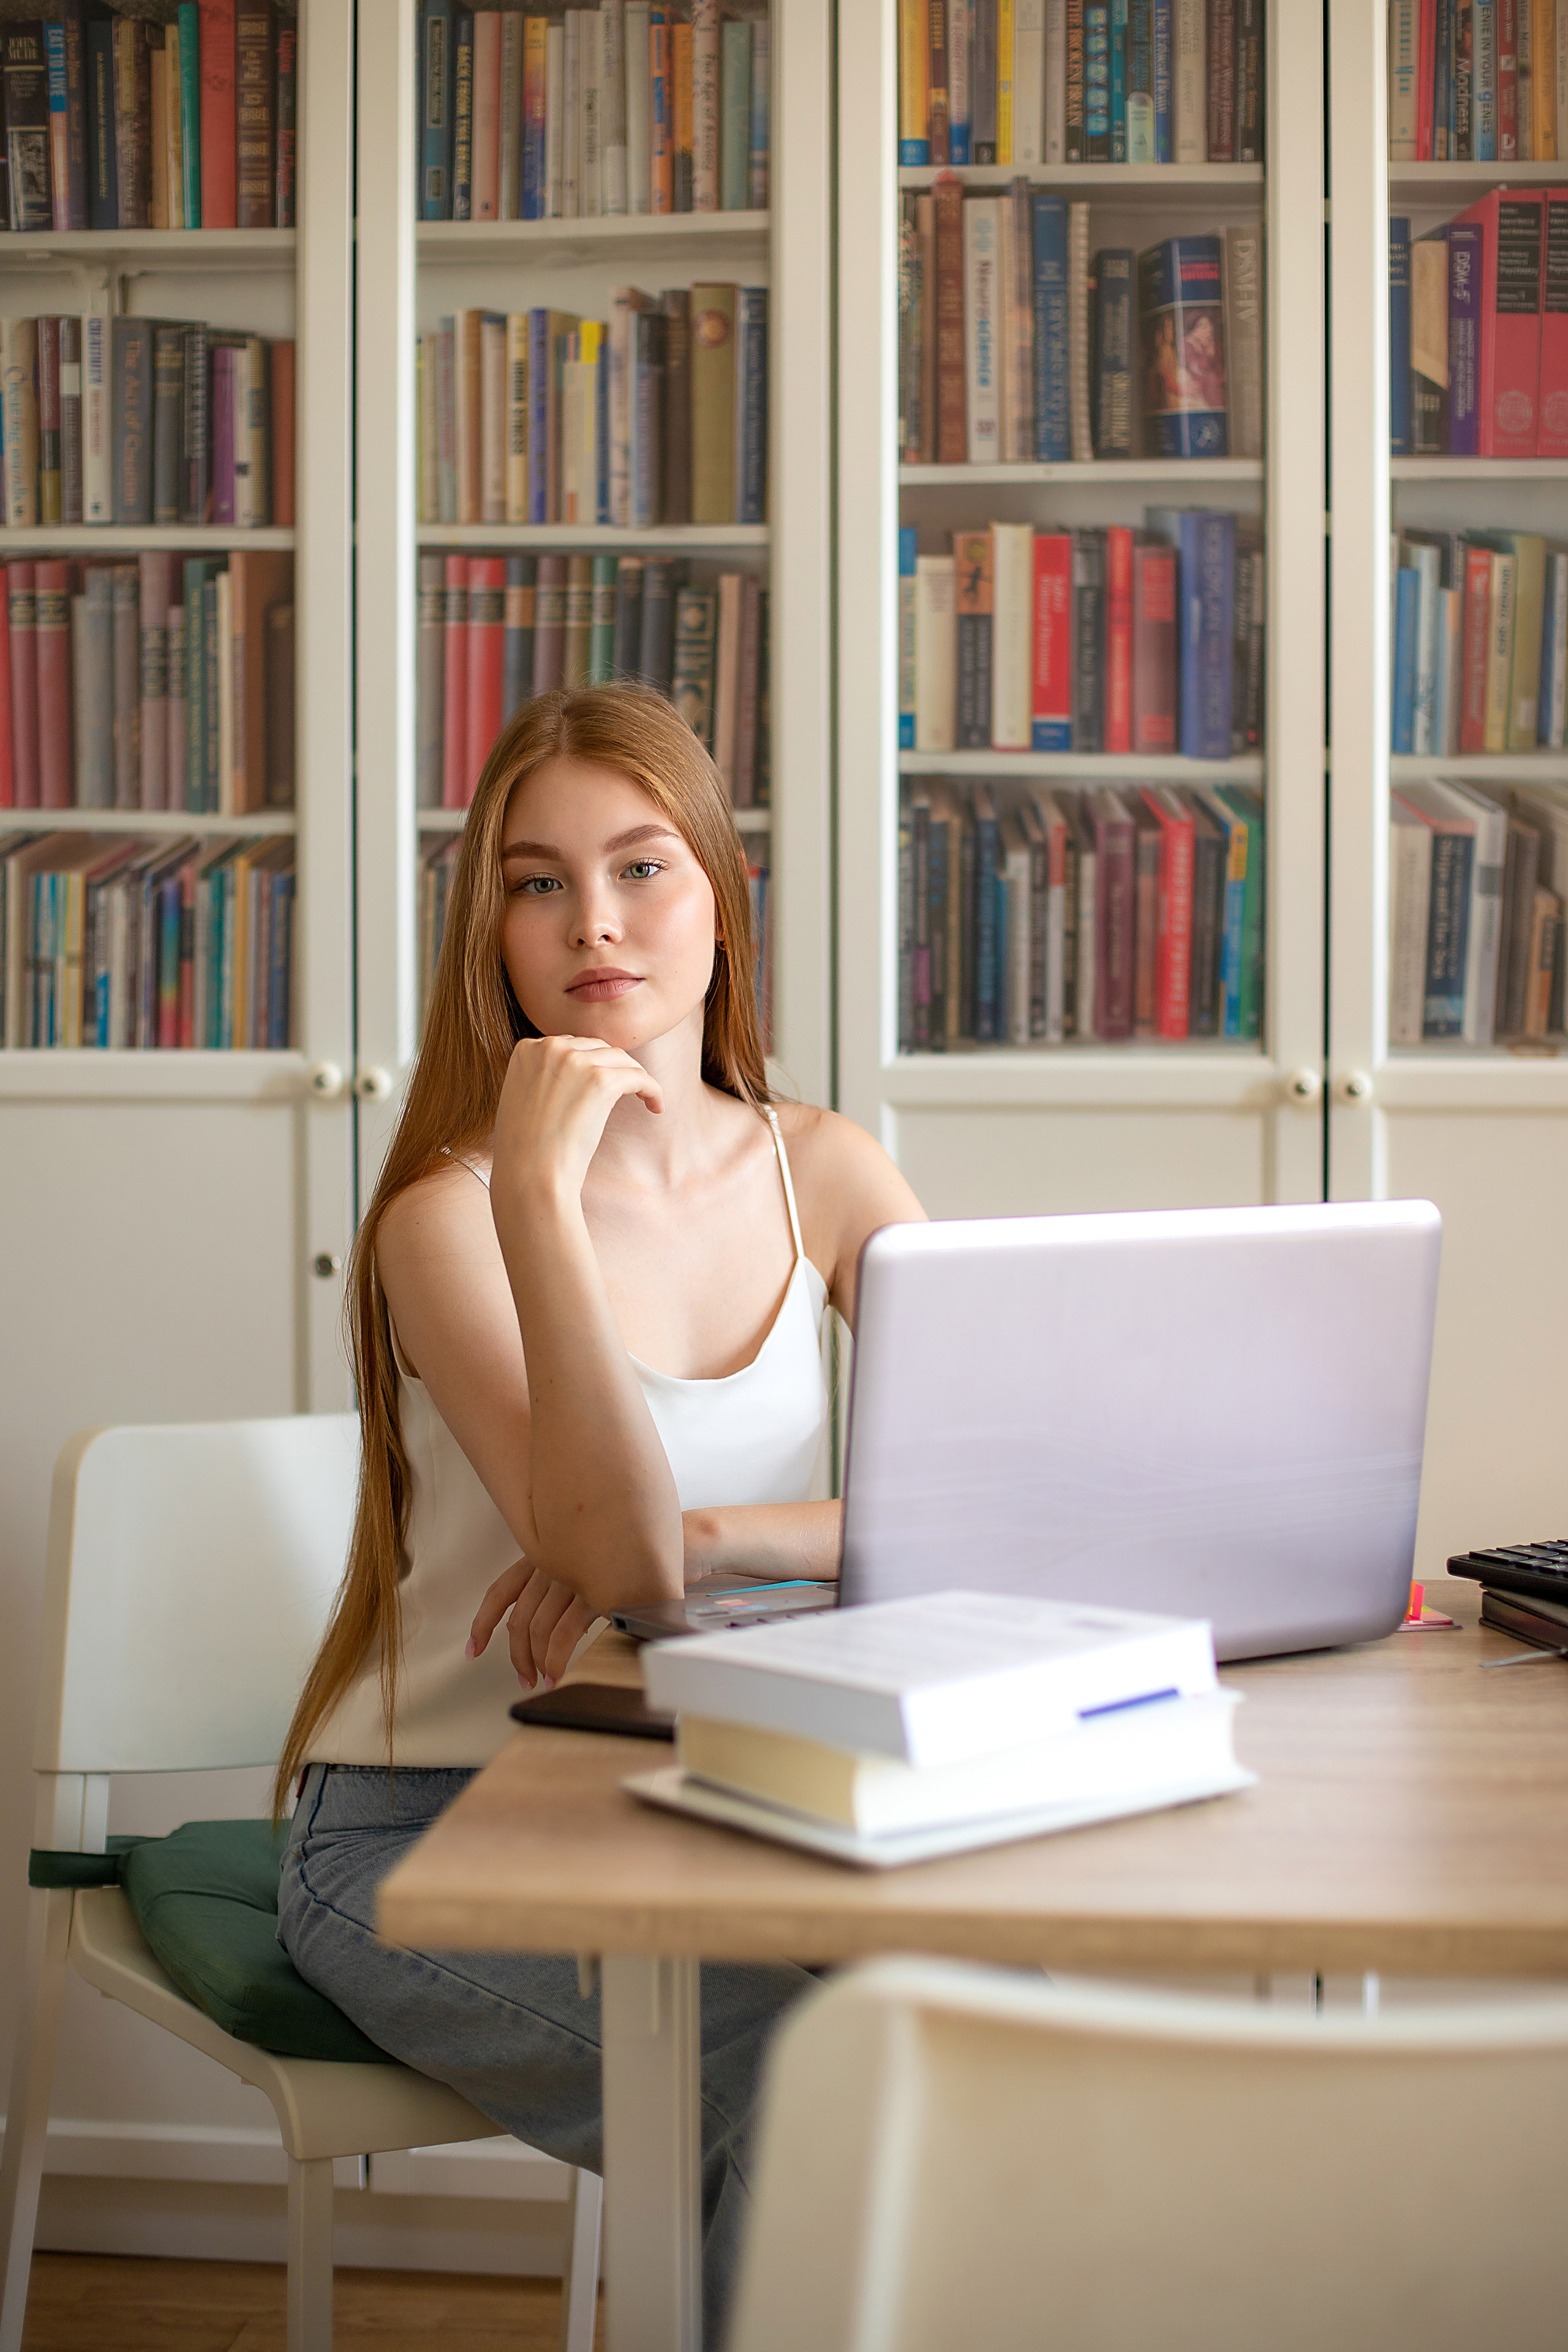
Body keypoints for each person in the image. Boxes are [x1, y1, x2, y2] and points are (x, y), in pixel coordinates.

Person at [274, 684, 925, 2337]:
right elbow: (615, 1557)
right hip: (430, 1827)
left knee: (1005, 2027)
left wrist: (725, 1540)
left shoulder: (828, 1170)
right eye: (537, 882)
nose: (595, 924)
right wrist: (538, 1196)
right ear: (490, 929)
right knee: (786, 2094)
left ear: (720, 895)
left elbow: (992, 1497)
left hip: (727, 1793)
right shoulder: (446, 1216)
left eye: (642, 867)